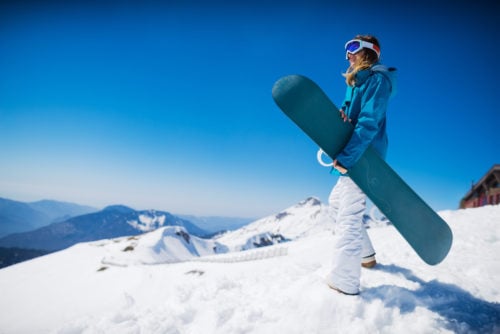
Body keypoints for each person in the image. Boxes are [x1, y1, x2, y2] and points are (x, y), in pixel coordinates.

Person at [326, 35, 397, 295]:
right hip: (357, 153)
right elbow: (353, 118)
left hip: (365, 156)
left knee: (348, 214)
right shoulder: (355, 83)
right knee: (337, 204)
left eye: (353, 48)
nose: (348, 54)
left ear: (370, 52)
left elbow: (369, 123)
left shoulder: (378, 80)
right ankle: (366, 255)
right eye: (345, 48)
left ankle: (344, 281)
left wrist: (346, 157)